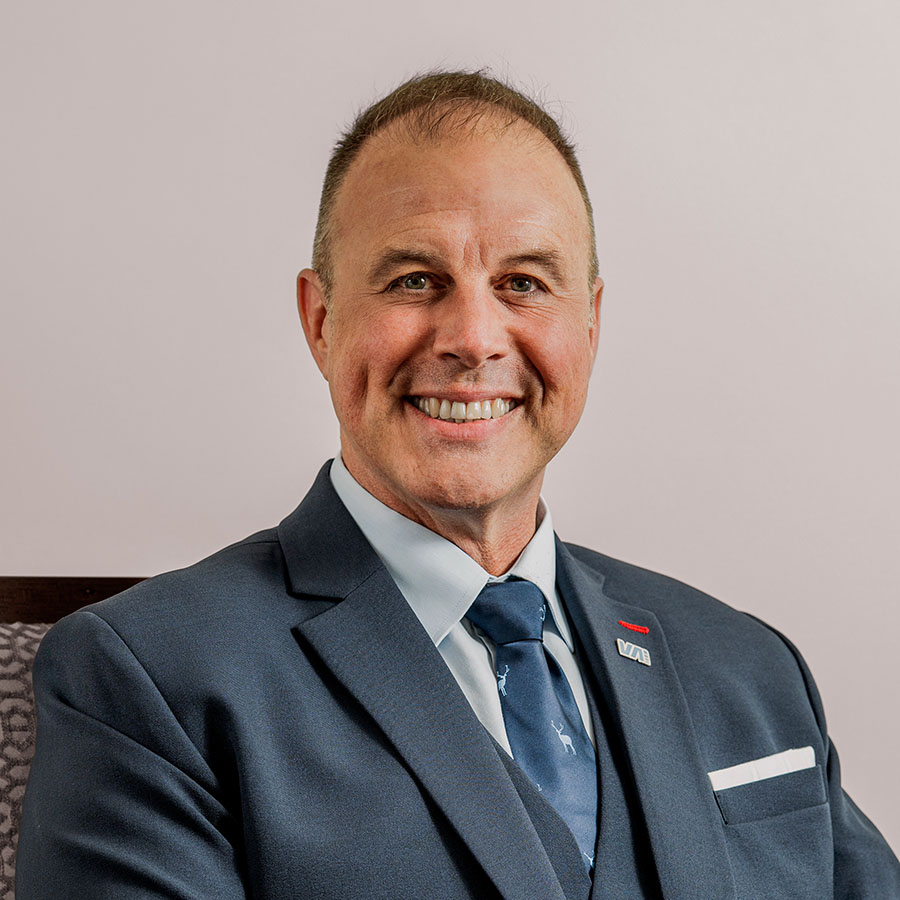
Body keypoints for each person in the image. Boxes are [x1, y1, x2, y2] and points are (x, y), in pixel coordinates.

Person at [17, 70, 900, 900]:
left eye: (523, 283)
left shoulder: (751, 668)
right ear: (321, 321)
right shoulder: (145, 683)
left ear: (590, 325)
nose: (474, 337)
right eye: (414, 280)